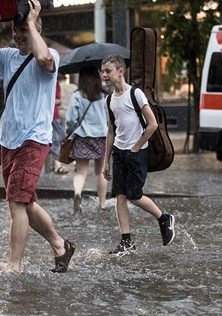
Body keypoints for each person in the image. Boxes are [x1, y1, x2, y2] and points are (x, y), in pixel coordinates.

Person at [0, 0, 75, 273]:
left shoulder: (51, 58)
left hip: (33, 139)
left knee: (17, 204)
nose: (18, 36)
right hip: (8, 139)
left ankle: (14, 266)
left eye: (24, 31)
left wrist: (33, 20)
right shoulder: (6, 57)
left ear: (36, 29)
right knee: (27, 202)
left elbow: (44, 58)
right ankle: (60, 245)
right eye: (16, 31)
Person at [101, 54, 175, 255]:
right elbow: (110, 131)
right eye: (102, 71)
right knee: (119, 196)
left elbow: (152, 124)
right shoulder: (109, 100)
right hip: (119, 151)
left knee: (134, 195)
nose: (104, 75)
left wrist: (136, 147)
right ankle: (126, 241)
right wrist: (105, 161)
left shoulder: (136, 94)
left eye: (108, 71)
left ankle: (163, 218)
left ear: (120, 71)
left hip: (136, 153)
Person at [65, 66, 108, 213]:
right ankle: (102, 204)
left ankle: (78, 193)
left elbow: (71, 119)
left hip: (82, 137)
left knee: (81, 171)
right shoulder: (104, 96)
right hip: (102, 137)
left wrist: (70, 132)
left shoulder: (77, 95)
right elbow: (110, 117)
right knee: (101, 172)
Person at [50, 81, 68, 174]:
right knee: (57, 140)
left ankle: (57, 165)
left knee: (56, 140)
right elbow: (58, 101)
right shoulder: (54, 82)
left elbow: (58, 100)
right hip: (52, 115)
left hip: (52, 115)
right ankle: (57, 165)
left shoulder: (54, 82)